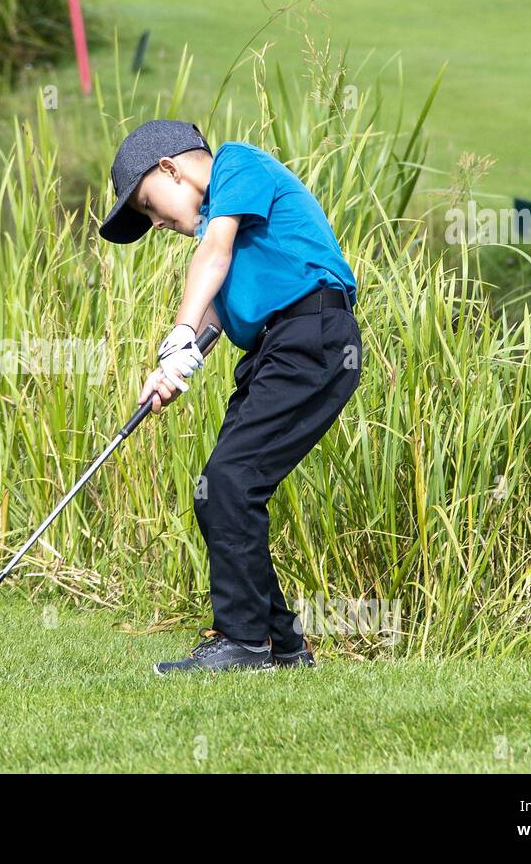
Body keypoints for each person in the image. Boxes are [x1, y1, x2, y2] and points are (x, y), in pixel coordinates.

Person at [97, 119, 363, 674]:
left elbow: (214, 256)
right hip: (276, 349)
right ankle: (282, 644)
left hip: (313, 336)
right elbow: (217, 312)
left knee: (229, 481)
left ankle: (240, 640)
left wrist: (176, 334)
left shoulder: (235, 165)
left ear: (170, 167)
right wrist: (175, 365)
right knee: (215, 491)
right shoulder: (217, 222)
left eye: (150, 205)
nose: (159, 223)